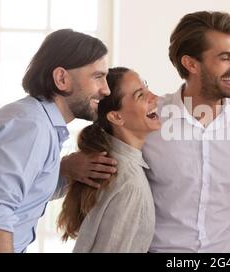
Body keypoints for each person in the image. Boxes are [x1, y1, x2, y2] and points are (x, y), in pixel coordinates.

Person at [62, 11, 230, 252]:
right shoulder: (151, 119)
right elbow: (105, 150)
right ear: (190, 64)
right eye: (225, 57)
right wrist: (68, 166)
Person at [0, 29, 110, 252]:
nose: (106, 90)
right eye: (98, 77)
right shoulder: (32, 126)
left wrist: (63, 171)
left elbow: (23, 195)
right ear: (61, 79)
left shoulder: (40, 123)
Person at [57, 67, 159, 252]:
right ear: (116, 116)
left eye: (147, 88)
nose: (154, 97)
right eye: (140, 95)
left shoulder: (112, 163)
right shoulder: (129, 182)